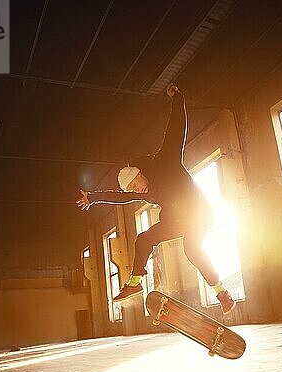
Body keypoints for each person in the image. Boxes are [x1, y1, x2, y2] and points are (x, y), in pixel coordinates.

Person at [77, 84, 235, 314]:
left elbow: (176, 128)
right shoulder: (141, 190)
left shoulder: (166, 160)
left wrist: (178, 99)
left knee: (191, 248)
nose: (137, 191)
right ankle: (135, 283)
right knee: (143, 239)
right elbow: (119, 198)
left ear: (141, 173)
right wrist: (93, 197)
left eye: (135, 185)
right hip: (176, 220)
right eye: (132, 189)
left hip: (199, 213)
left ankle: (222, 293)